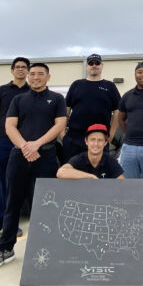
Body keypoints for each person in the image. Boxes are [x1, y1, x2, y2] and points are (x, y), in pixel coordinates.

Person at [0, 63, 67, 266]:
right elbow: (9, 125)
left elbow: (60, 124)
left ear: (48, 77)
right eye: (32, 74)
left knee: (45, 206)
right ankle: (6, 248)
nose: (35, 77)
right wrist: (24, 147)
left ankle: (45, 248)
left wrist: (37, 144)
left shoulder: (56, 99)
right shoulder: (19, 99)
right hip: (19, 157)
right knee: (13, 204)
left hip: (45, 158)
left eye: (40, 74)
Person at [63, 53, 121, 162]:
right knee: (72, 173)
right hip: (75, 138)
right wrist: (63, 134)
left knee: (99, 173)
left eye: (97, 63)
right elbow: (65, 110)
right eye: (91, 63)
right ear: (87, 66)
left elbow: (117, 111)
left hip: (99, 138)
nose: (94, 65)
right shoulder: (76, 85)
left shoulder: (110, 86)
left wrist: (111, 134)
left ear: (102, 66)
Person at [0, 57, 30, 237]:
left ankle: (14, 221)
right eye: (17, 67)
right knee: (2, 181)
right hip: (3, 140)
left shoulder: (33, 91)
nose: (20, 70)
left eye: (24, 67)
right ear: (12, 70)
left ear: (28, 71)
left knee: (18, 181)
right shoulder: (2, 91)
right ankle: (5, 221)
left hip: (26, 143)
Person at [57, 124, 124, 179]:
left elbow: (121, 182)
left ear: (105, 143)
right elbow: (61, 172)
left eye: (100, 140)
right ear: (86, 141)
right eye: (92, 140)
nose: (96, 144)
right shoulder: (80, 158)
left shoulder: (110, 160)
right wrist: (90, 176)